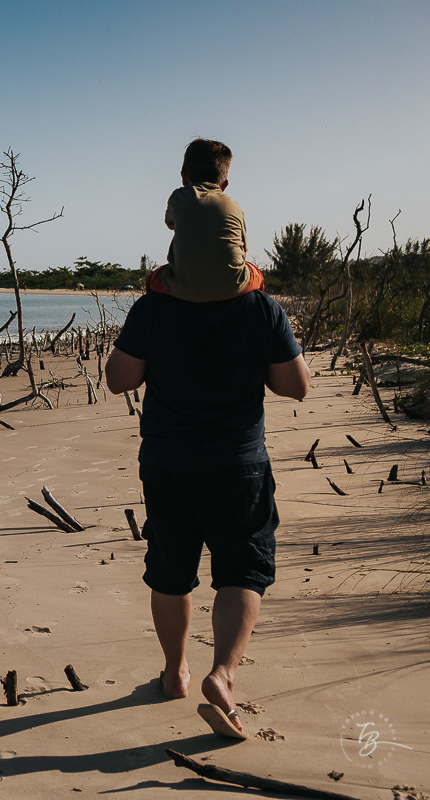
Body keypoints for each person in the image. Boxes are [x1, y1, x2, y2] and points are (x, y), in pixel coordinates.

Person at [106, 282, 310, 739]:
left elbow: (119, 378)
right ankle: (222, 674)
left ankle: (175, 672)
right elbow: (296, 386)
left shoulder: (152, 308)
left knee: (171, 570)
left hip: (168, 465)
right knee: (243, 570)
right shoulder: (262, 309)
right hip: (239, 467)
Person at [147, 138, 265, 302]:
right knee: (257, 274)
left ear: (183, 178)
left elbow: (170, 223)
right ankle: (254, 308)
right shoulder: (235, 206)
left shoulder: (179, 196)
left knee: (152, 279)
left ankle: (155, 313)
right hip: (232, 286)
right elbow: (243, 251)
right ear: (224, 185)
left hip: (181, 286)